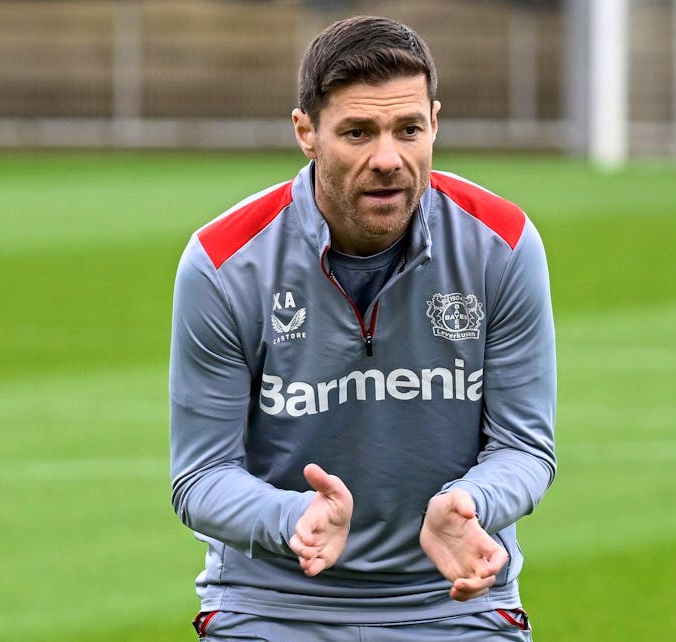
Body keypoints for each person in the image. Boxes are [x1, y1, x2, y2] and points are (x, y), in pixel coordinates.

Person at [170, 15, 556, 641]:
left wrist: (472, 503)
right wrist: (290, 517)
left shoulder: (502, 244)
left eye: (409, 130)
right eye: (357, 132)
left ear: (435, 123)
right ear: (306, 133)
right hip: (274, 607)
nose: (388, 159)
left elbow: (524, 447)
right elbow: (200, 477)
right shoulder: (223, 263)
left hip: (455, 606)